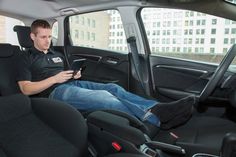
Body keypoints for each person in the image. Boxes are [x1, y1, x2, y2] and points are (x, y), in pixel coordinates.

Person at [16, 19, 195, 128]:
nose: (48, 41)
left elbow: (64, 74)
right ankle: (155, 118)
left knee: (112, 88)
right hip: (53, 93)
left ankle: (157, 107)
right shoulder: (25, 57)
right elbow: (25, 89)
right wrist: (54, 79)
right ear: (32, 37)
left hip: (70, 84)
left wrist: (73, 75)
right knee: (104, 96)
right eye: (43, 37)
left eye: (49, 36)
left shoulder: (57, 55)